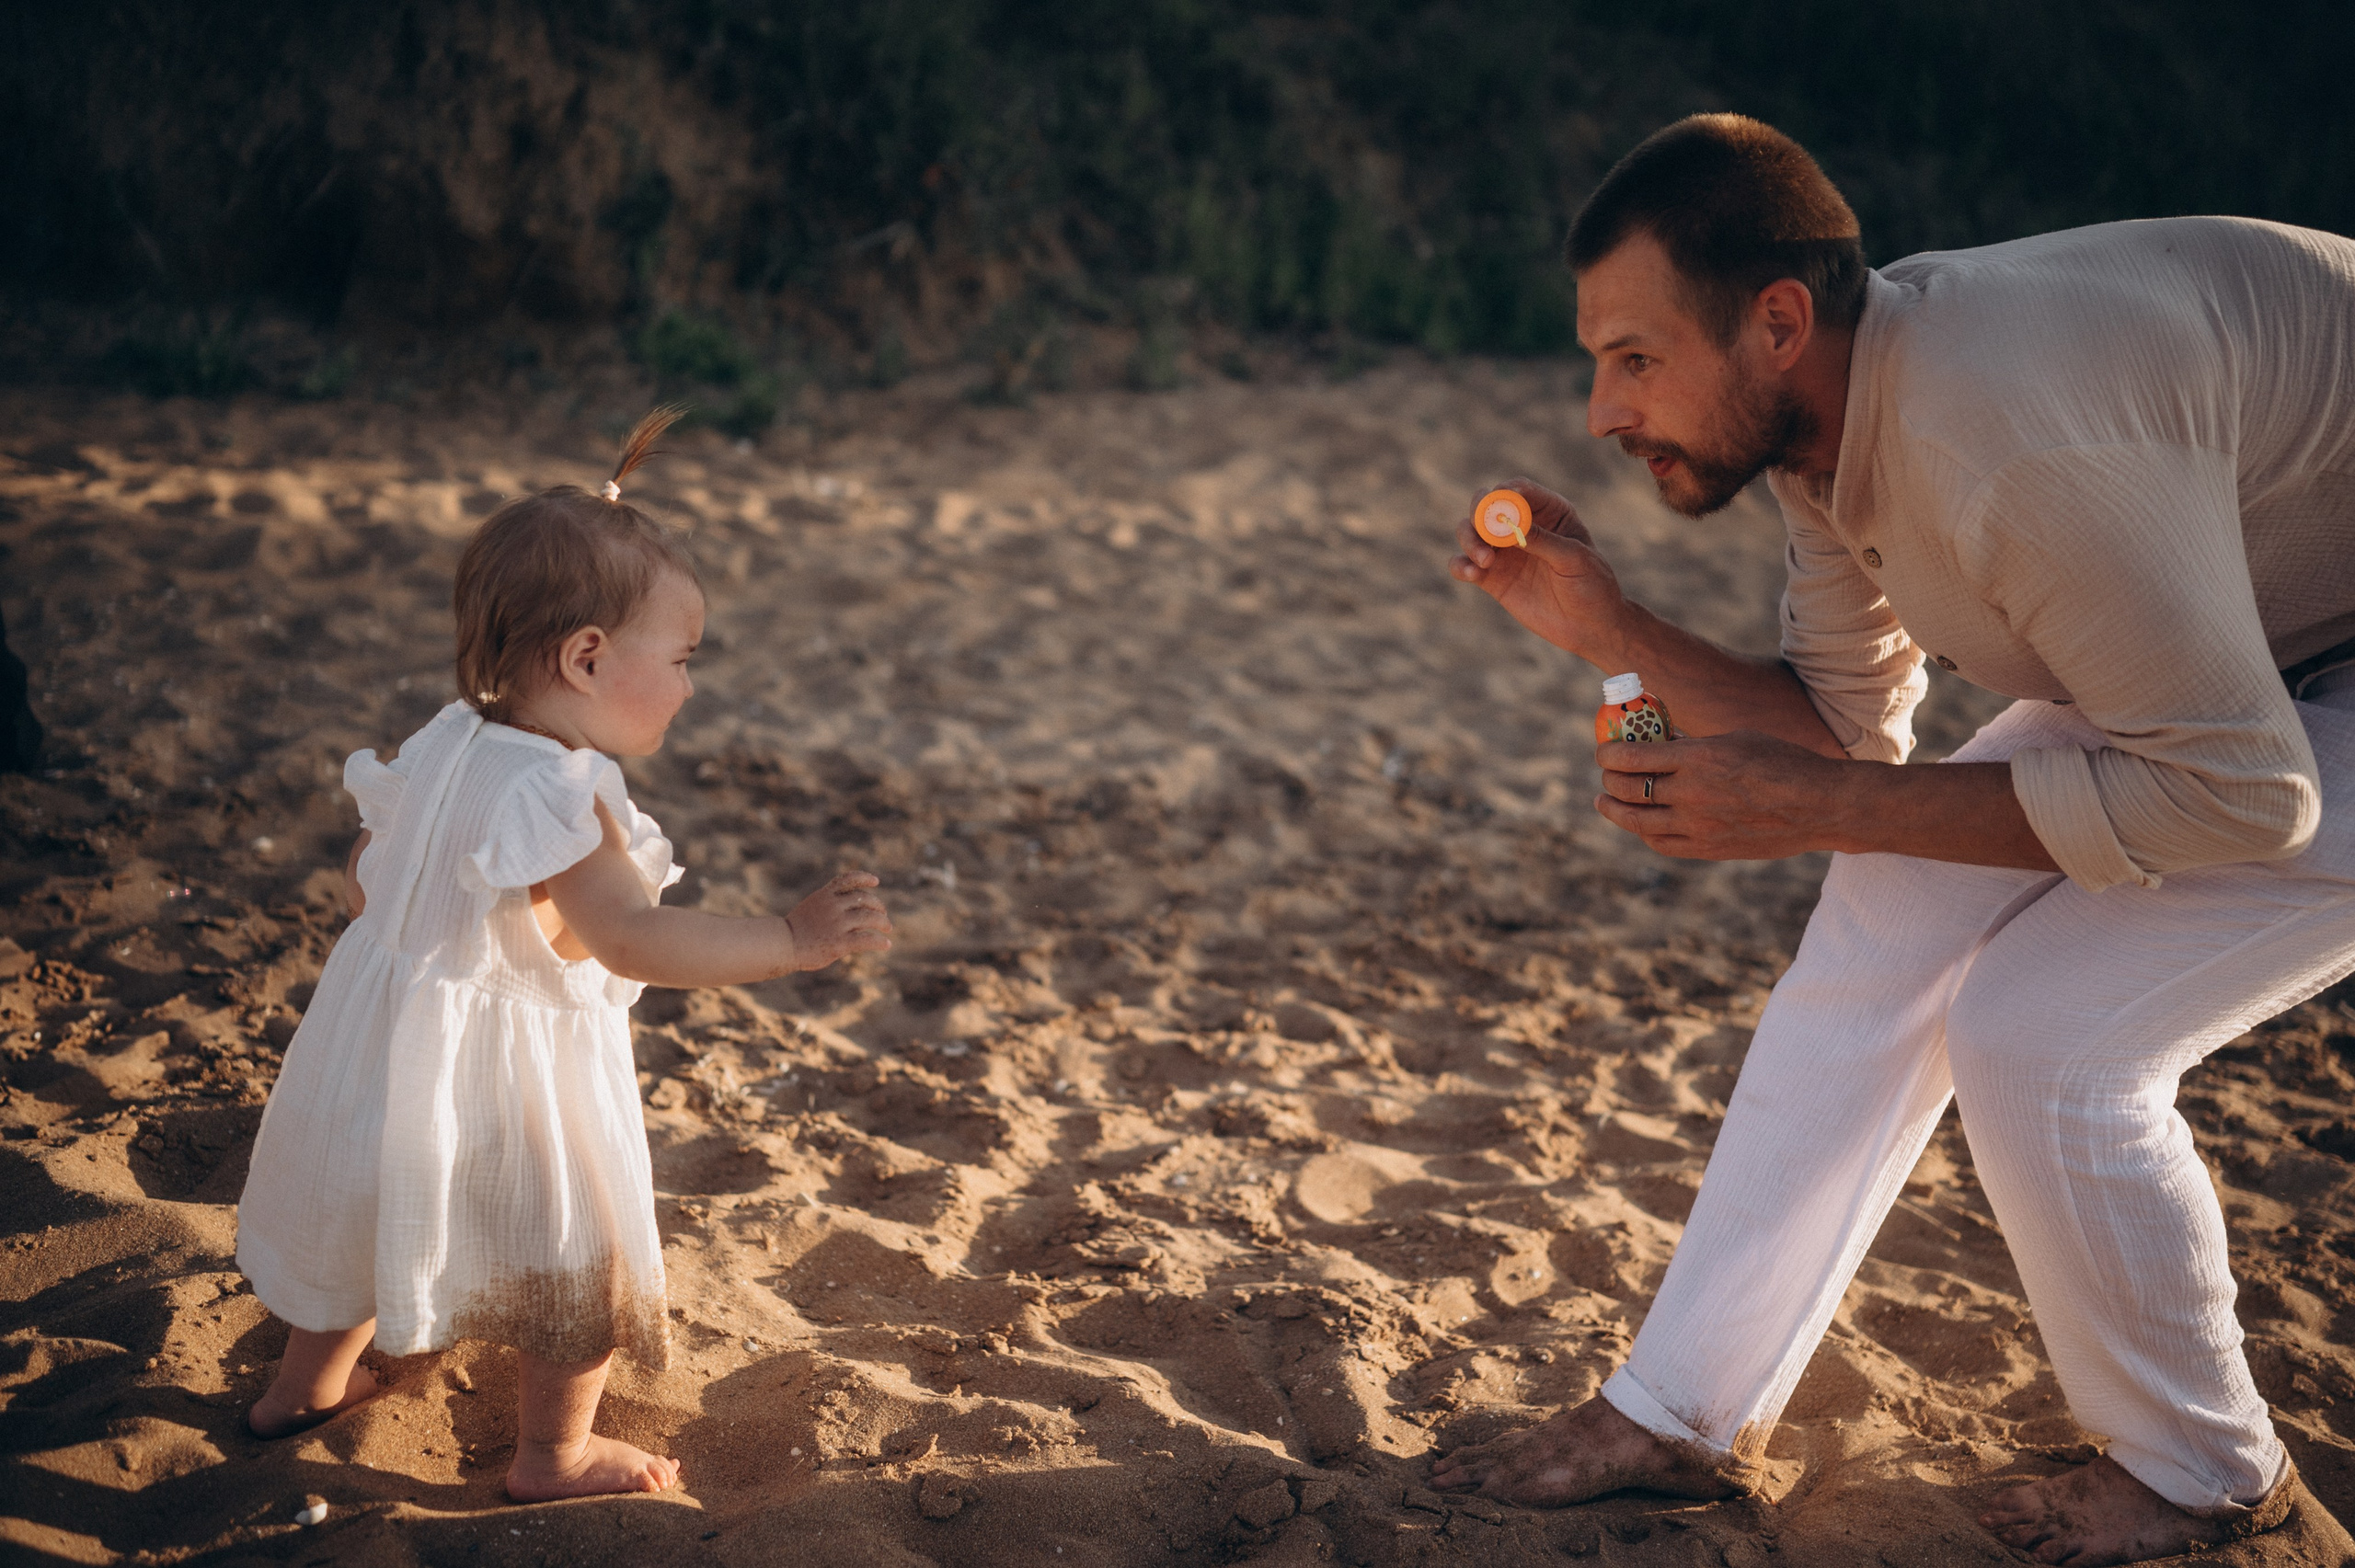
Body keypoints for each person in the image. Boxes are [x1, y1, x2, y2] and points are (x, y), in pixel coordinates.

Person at [1427, 114, 2355, 1565]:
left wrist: (1822, 807)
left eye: (1636, 357)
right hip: (2232, 652)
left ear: (1777, 321)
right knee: (1890, 901)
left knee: (2046, 1038)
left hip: (2276, 696)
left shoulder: (2005, 440)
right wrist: (1610, 631)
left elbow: (2243, 796)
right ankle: (1681, 1408)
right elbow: (1839, 738)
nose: (1601, 410)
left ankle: (2219, 1491)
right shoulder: (1832, 429)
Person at [236, 408, 895, 1501]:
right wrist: (786, 940)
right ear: (588, 658)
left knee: (360, 1213)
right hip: (510, 1084)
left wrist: (434, 944)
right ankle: (555, 1455)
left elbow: (364, 877)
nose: (689, 686)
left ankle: (300, 1392)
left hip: (378, 1052)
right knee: (579, 1265)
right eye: (680, 659)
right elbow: (631, 934)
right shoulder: (562, 796)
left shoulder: (447, 742)